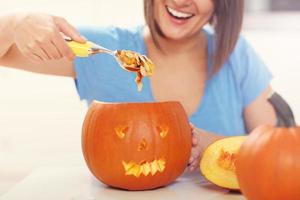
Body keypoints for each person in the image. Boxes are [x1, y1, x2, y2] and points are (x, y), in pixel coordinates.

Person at [0, 0, 276, 172]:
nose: (182, 1)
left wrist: (214, 147)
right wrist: (14, 23)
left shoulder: (236, 55)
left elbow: (279, 155)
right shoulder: (100, 50)